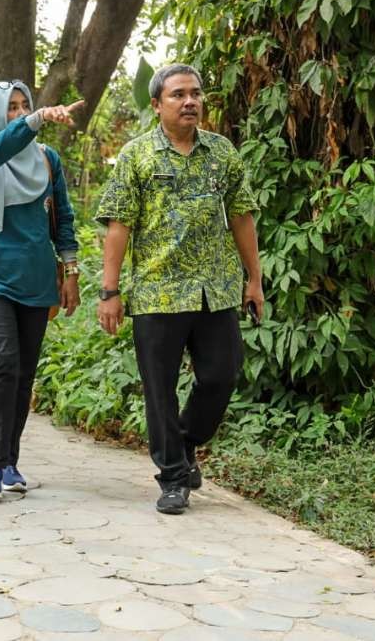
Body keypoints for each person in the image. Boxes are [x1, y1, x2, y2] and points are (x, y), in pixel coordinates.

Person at [95, 63, 264, 515]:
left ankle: (186, 442)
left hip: (216, 291)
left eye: (195, 93)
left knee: (221, 376)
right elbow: (118, 226)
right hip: (157, 293)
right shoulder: (137, 156)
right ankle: (172, 477)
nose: (190, 101)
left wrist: (255, 279)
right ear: (157, 105)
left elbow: (242, 216)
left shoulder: (221, 153)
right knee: (160, 389)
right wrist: (110, 292)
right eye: (178, 95)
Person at [0, 81, 83, 501]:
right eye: (11, 108)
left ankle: (9, 460)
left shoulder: (47, 159)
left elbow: (64, 217)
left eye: (25, 106)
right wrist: (35, 120)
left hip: (36, 277)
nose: (19, 112)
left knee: (23, 373)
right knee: (2, 359)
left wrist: (71, 270)